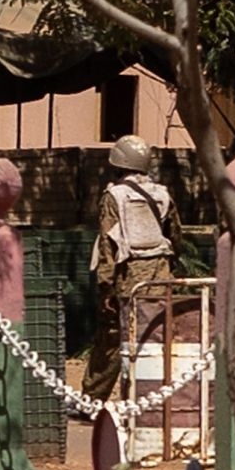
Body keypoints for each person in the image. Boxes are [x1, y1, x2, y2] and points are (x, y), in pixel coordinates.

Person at [84, 134, 181, 402]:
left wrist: (105, 286)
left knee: (114, 336)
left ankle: (93, 398)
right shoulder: (162, 194)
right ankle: (152, 397)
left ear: (117, 165)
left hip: (128, 275)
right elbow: (175, 234)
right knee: (155, 334)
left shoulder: (114, 196)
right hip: (161, 272)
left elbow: (108, 243)